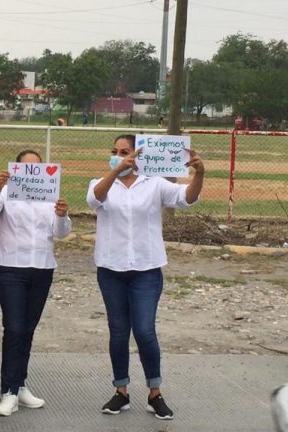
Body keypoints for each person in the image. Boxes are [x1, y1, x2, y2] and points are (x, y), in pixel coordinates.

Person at [86, 134, 204, 421]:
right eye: (114, 151)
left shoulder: (154, 184)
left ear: (138, 155)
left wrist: (199, 173)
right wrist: (115, 171)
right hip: (111, 269)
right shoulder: (101, 183)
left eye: (125, 151)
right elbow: (95, 199)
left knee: (144, 330)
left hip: (146, 269)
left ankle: (155, 392)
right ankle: (121, 391)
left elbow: (186, 199)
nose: (119, 155)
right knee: (117, 331)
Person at [0, 150, 72, 417]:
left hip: (42, 268)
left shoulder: (50, 195)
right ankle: (8, 391)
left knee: (28, 329)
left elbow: (60, 234)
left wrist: (63, 215)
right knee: (15, 328)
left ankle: (19, 385)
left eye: (37, 166)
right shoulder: (7, 192)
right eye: (25, 166)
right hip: (11, 268)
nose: (32, 171)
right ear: (16, 168)